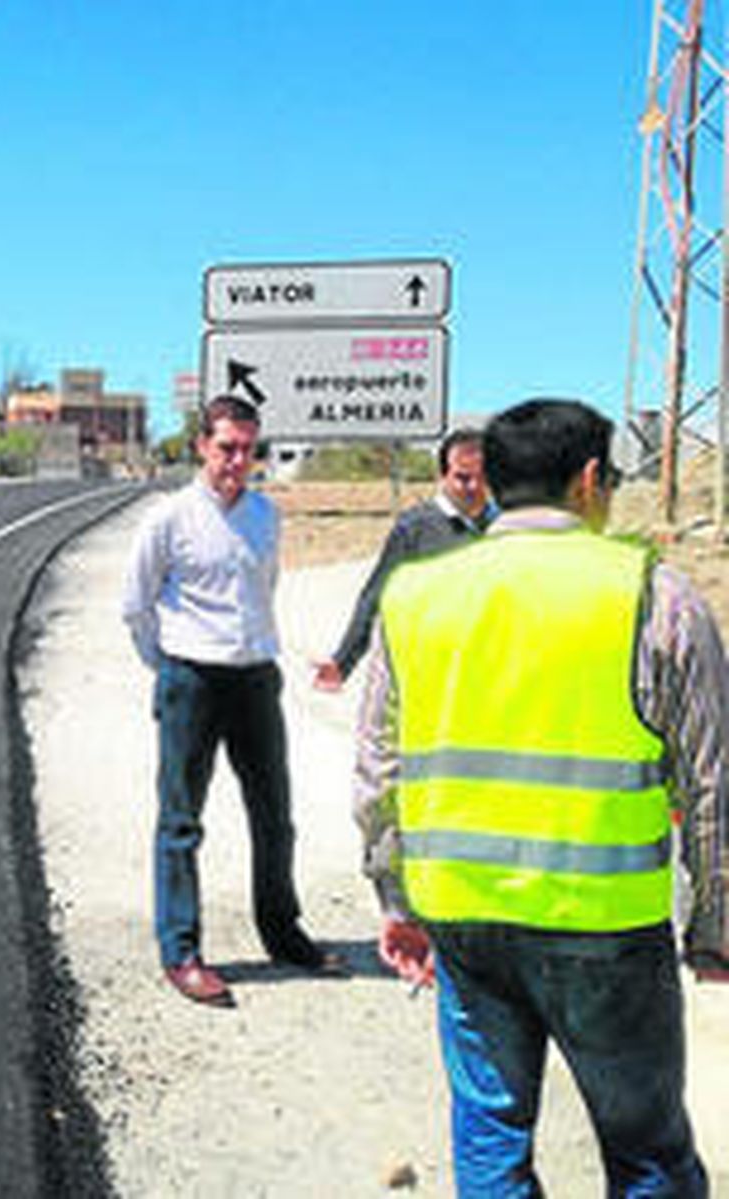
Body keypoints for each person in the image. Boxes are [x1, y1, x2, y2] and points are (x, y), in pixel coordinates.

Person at [355, 398, 729, 1196]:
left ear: (491, 478)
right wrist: (714, 929)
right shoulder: (654, 598)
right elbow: (710, 787)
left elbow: (377, 773)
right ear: (590, 480)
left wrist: (396, 899)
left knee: (491, 1140)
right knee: (647, 1152)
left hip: (464, 922)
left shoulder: (417, 598)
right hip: (606, 930)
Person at [123, 394, 342, 1009]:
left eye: (248, 449)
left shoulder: (265, 516)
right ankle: (182, 951)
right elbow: (135, 605)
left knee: (275, 815)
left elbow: (263, 590)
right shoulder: (167, 519)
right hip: (191, 679)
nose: (237, 461)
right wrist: (169, 665)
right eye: (226, 448)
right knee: (181, 822)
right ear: (201, 446)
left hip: (254, 678)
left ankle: (283, 931)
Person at [313, 429, 494, 692]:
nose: (474, 487)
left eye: (482, 478)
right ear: (442, 476)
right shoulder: (415, 527)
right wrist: (343, 662)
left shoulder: (503, 526)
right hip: (427, 673)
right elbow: (376, 597)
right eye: (463, 478)